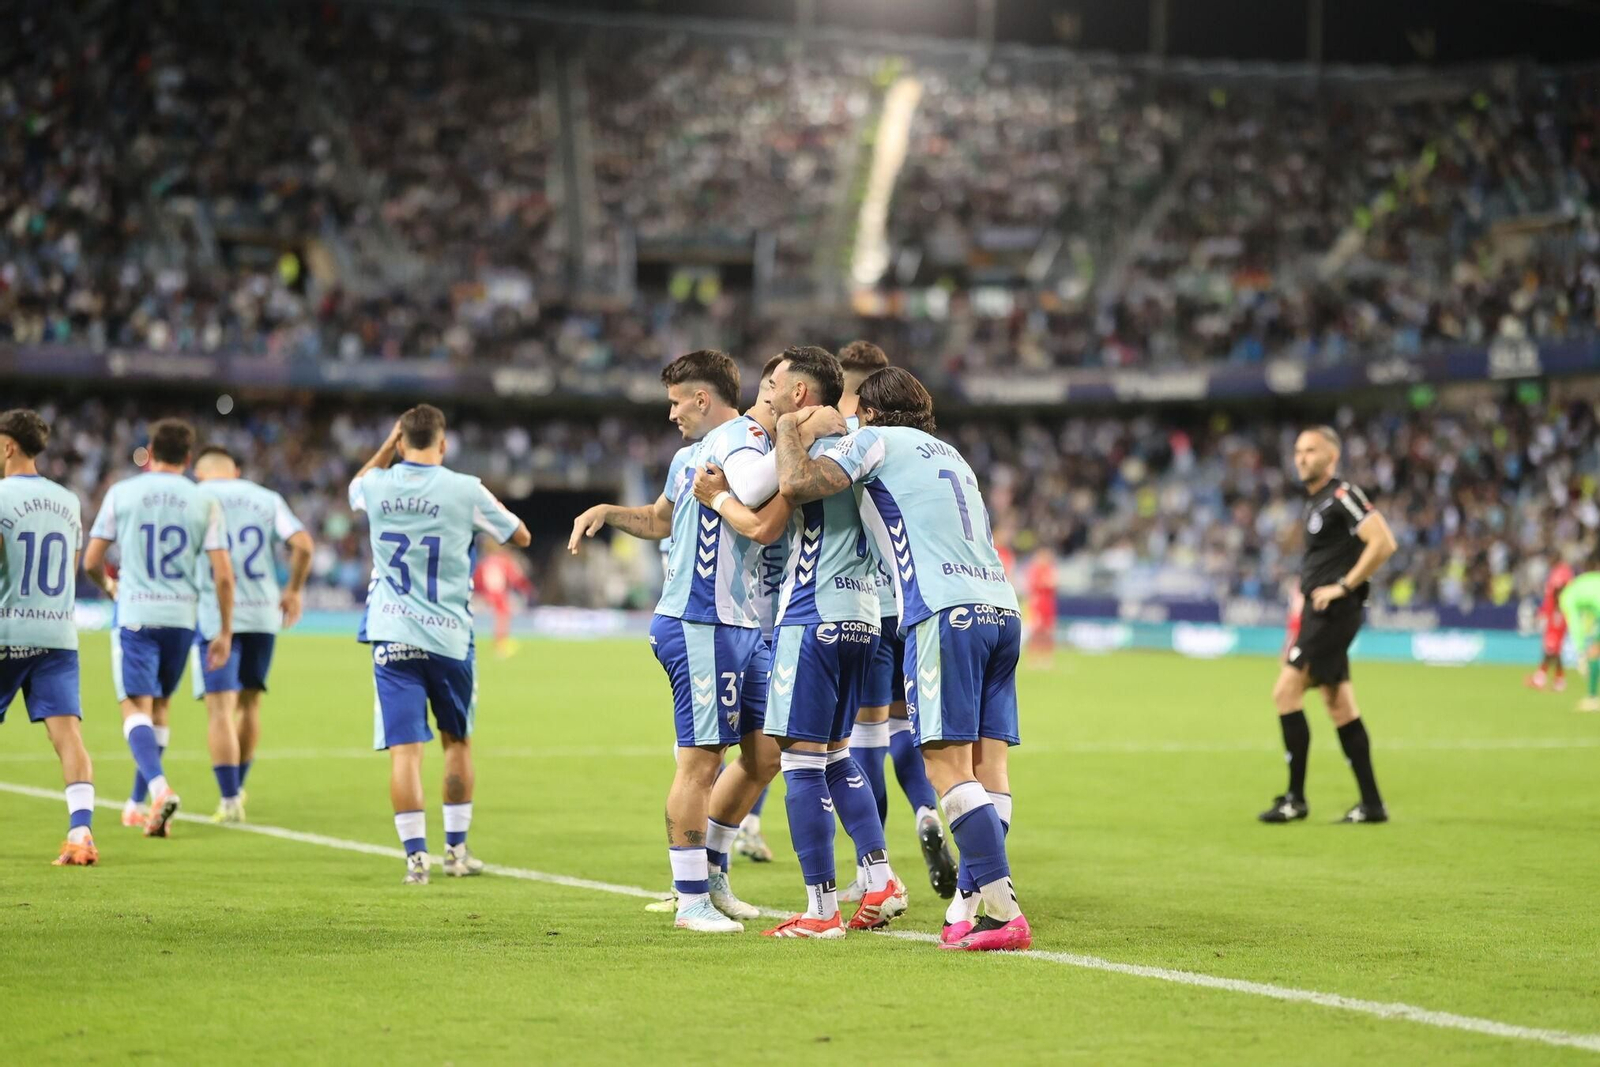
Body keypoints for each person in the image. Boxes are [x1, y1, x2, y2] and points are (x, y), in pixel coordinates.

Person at [775, 366, 1030, 952]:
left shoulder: (873, 440)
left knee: (945, 769)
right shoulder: (953, 455)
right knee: (989, 770)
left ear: (866, 409)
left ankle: (1005, 912)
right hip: (1001, 609)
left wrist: (789, 422)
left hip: (943, 612)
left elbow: (795, 484)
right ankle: (971, 905)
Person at [695, 347, 908, 937]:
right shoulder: (867, 441)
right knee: (838, 755)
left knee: (799, 763)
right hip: (866, 614)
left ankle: (820, 910)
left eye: (774, 384)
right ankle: (880, 876)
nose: (764, 394)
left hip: (811, 614)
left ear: (798, 396)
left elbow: (763, 509)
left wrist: (716, 497)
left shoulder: (807, 447)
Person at [567, 350, 778, 933]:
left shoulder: (742, 441)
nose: (671, 415)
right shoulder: (693, 457)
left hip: (742, 624)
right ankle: (690, 900)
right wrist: (610, 512)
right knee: (701, 761)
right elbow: (660, 519)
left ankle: (711, 875)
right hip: (699, 620)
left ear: (702, 399)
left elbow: (669, 522)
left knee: (764, 757)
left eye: (675, 402)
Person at [348, 405, 531, 885]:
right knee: (456, 742)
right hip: (449, 635)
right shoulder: (463, 488)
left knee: (405, 752)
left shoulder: (376, 485)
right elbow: (520, 534)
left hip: (391, 632)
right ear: (443, 444)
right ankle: (455, 852)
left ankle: (415, 861)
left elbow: (355, 487)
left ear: (400, 441)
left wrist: (388, 448)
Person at [835, 340, 956, 902]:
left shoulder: (849, 435)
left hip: (860, 601)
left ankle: (872, 866)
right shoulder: (917, 443)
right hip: (910, 604)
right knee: (910, 728)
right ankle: (928, 810)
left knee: (864, 737)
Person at [83, 418, 233, 839]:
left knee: (133, 708)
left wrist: (110, 587)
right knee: (161, 707)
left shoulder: (123, 492)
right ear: (189, 458)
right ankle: (139, 805)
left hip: (136, 614)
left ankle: (157, 787)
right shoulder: (204, 500)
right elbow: (223, 575)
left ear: (149, 451)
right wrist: (224, 631)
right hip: (182, 619)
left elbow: (92, 560)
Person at [1260, 426, 1397, 826]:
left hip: (1333, 614)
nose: (1301, 457)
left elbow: (1383, 542)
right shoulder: (1316, 503)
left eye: (1310, 450)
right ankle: (1371, 804)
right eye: (1298, 450)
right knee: (1339, 705)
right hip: (1318, 614)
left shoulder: (1343, 495)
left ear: (1331, 457)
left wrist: (1342, 586)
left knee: (1285, 692)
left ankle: (1295, 799)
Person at [190, 446, 314, 823]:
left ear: (200, 473)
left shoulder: (197, 497)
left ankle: (228, 799)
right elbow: (304, 545)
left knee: (219, 710)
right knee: (250, 705)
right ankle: (238, 788)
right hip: (263, 612)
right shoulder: (266, 498)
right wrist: (292, 590)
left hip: (216, 614)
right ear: (236, 470)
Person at [0, 409, 98, 865]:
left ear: (7, 446)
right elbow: (73, 564)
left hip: (7, 628)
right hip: (57, 632)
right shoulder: (68, 500)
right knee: (68, 736)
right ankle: (81, 833)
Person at [474, 540, 534, 659]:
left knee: (501, 615)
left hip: (487, 593)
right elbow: (514, 576)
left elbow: (477, 577)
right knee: (503, 614)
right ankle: (501, 644)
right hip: (498, 592)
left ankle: (501, 642)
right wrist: (527, 588)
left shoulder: (485, 561)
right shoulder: (504, 560)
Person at [1558, 564, 1600, 712]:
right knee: (1595, 650)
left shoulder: (1566, 596)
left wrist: (1581, 652)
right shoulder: (1580, 584)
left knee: (1593, 653)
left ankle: (1593, 698)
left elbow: (1575, 625)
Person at [1529, 557, 1575, 692]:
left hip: (1558, 615)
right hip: (1556, 614)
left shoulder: (1560, 574)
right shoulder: (1563, 574)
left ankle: (1542, 678)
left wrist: (1553, 610)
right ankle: (1557, 679)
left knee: (1551, 648)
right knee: (1554, 650)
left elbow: (1559, 592)